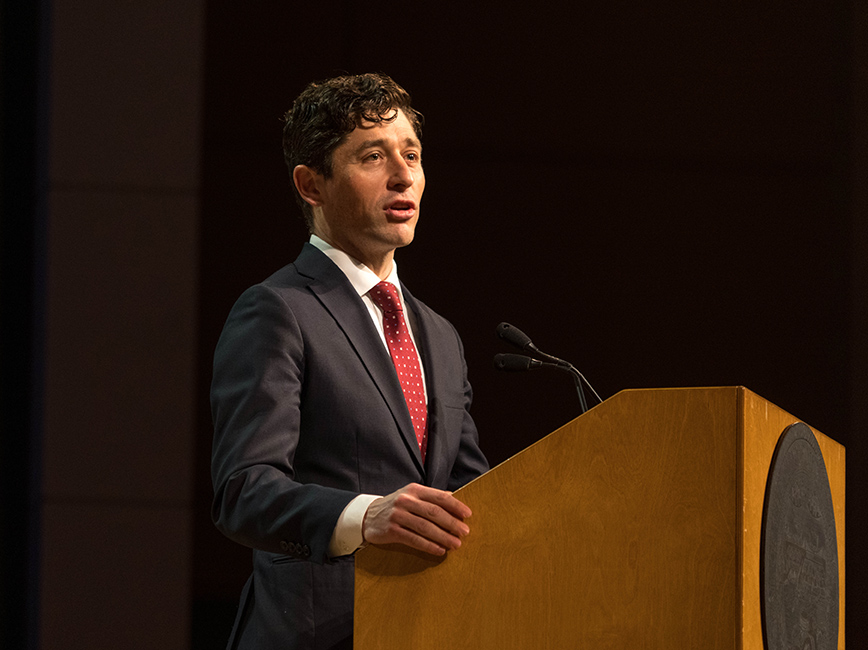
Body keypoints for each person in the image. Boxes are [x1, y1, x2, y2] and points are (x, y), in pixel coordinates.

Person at [210, 72, 489, 650]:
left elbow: (471, 495)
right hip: (312, 634)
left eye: (411, 153)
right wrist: (365, 516)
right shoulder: (278, 311)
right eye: (373, 156)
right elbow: (243, 491)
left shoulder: (439, 335)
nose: (404, 174)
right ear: (312, 185)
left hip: (424, 630)